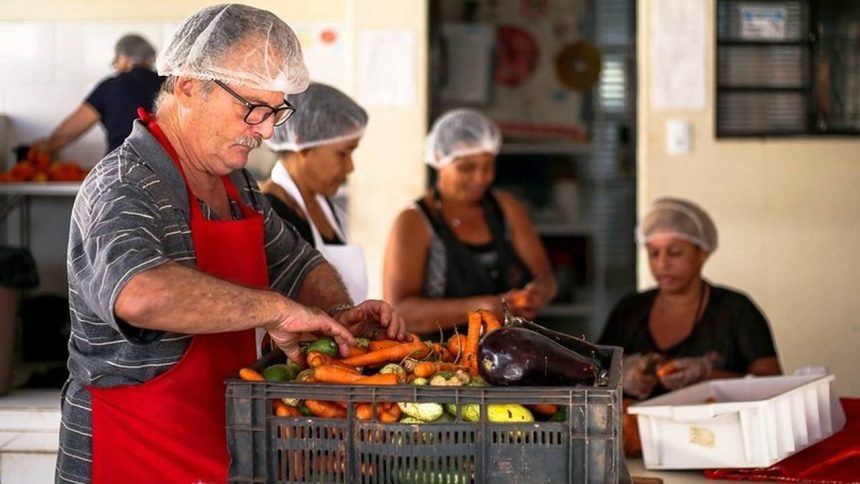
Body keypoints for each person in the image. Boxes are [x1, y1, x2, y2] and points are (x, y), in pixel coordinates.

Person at [56, 5, 406, 484]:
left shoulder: (238, 186)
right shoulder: (123, 183)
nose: (267, 129)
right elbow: (139, 292)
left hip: (221, 452)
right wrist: (276, 311)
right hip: (134, 455)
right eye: (252, 108)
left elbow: (298, 263)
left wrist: (340, 314)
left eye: (276, 110)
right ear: (187, 87)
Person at [383, 108, 557, 336]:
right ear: (438, 160)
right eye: (466, 168)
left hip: (512, 349)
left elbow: (546, 279)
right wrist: (480, 308)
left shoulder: (506, 209)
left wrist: (538, 294)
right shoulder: (414, 221)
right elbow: (400, 310)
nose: (480, 178)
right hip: (441, 359)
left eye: (488, 167)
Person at [599, 197, 782, 400]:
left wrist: (707, 375)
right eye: (653, 253)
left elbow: (772, 384)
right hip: (637, 430)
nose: (662, 264)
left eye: (675, 252)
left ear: (702, 253)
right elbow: (594, 373)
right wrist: (621, 376)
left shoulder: (735, 310)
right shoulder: (629, 310)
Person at [260, 82, 368, 302]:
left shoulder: (322, 201)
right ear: (303, 145)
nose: (350, 167)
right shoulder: (273, 213)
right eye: (342, 153)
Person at [33, 34, 164, 156]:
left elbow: (68, 133)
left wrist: (45, 148)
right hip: (167, 168)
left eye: (116, 61)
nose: (116, 67)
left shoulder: (111, 86)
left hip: (121, 166)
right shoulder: (167, 84)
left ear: (123, 58)